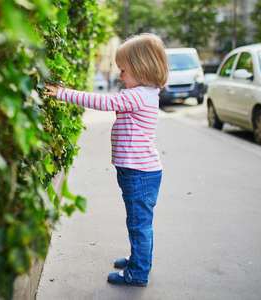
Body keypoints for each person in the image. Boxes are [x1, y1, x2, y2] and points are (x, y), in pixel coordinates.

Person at [43, 33, 168, 287]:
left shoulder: (137, 96)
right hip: (138, 171)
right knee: (139, 221)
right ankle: (139, 260)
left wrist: (63, 93)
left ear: (141, 68)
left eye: (123, 70)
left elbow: (102, 101)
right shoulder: (146, 93)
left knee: (138, 223)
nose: (120, 75)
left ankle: (138, 272)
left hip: (139, 173)